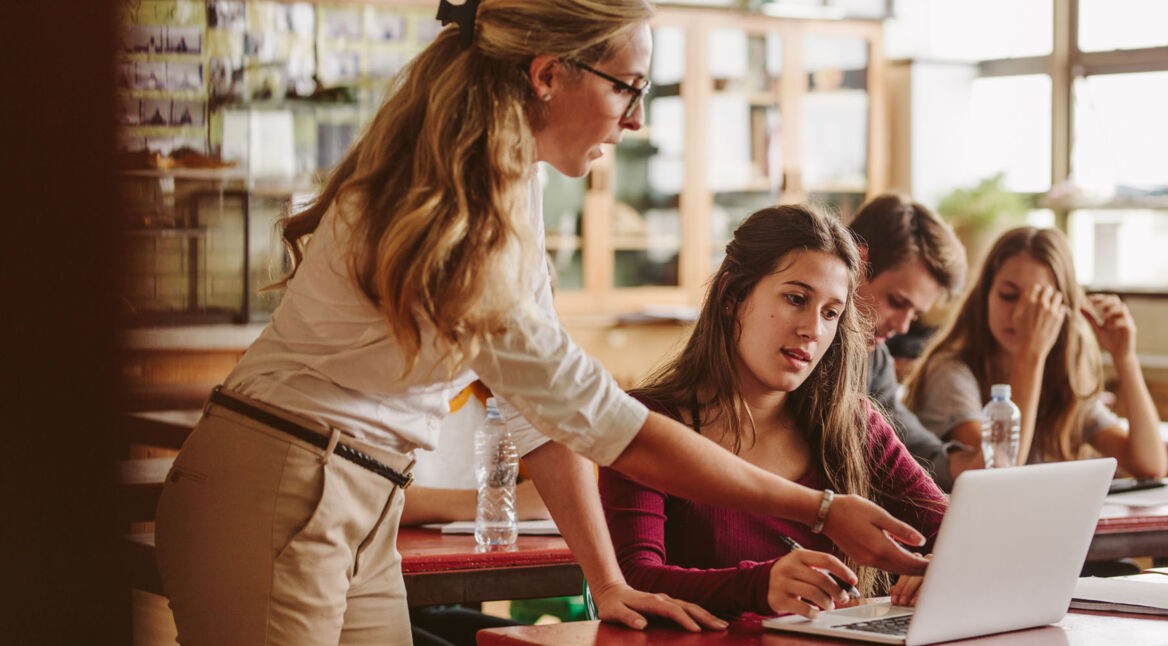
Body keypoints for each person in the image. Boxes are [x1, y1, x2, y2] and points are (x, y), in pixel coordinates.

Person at [154, 2, 930, 644]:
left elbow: (543, 419)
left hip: (356, 498)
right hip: (285, 486)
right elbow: (606, 423)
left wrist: (608, 582)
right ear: (549, 74)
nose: (634, 120)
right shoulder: (460, 215)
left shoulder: (506, 190)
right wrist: (820, 508)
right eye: (629, 87)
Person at [599, 205, 948, 619]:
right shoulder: (647, 421)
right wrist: (759, 586)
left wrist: (944, 568)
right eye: (795, 299)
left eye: (830, 313)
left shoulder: (854, 424)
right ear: (732, 297)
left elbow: (956, 532)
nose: (812, 330)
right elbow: (634, 580)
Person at [904, 226, 1167, 479]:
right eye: (1009, 295)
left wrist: (1125, 358)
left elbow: (1151, 465)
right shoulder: (950, 372)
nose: (1021, 315)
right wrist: (1030, 353)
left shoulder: (1061, 381)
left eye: (1040, 303)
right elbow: (998, 468)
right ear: (985, 295)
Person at [848, 194, 978, 490]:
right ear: (856, 262)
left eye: (915, 314)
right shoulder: (794, 346)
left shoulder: (874, 357)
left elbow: (903, 436)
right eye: (896, 301)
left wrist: (963, 464)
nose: (903, 326)